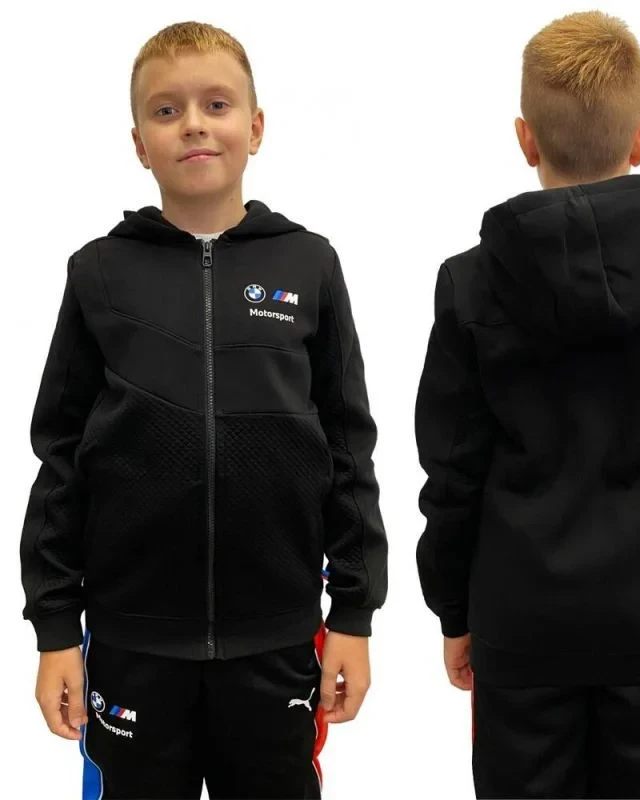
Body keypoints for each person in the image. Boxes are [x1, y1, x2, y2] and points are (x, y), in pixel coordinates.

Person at [19, 20, 387, 800]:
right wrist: (55, 631)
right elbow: (59, 461)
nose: (192, 123)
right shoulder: (99, 275)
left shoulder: (309, 265)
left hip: (277, 643)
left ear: (255, 127)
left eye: (216, 104)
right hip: (133, 648)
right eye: (166, 110)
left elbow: (348, 448)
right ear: (139, 143)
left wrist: (354, 614)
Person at [414, 10, 640, 799]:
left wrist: (453, 609)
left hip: (522, 626)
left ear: (525, 139)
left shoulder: (469, 284)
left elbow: (451, 468)